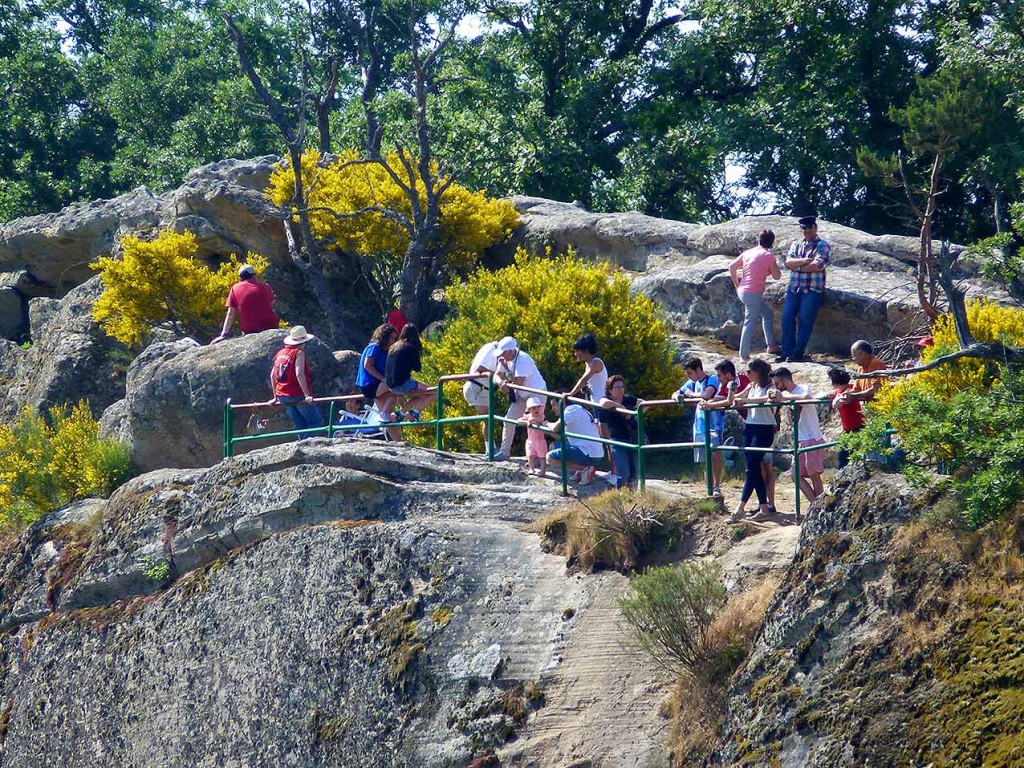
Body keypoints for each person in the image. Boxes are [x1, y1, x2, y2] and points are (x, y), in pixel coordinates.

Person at [704, 359, 778, 512]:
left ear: (757, 372)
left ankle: (751, 506)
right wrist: (731, 392)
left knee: (757, 467)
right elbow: (734, 401)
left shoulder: (770, 386)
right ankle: (762, 506)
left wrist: (743, 399)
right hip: (750, 427)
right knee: (753, 468)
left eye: (749, 371)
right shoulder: (751, 386)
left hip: (765, 428)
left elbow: (768, 398)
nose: (746, 374)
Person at [779, 216, 831, 362]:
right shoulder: (796, 244)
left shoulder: (823, 245)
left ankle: (797, 352)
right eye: (804, 228)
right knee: (786, 318)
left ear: (815, 227)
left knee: (805, 320)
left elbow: (816, 266)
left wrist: (797, 267)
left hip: (812, 289)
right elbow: (788, 263)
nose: (807, 230)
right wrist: (804, 262)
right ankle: (787, 351)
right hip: (794, 288)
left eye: (810, 227)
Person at [769, 367, 826, 502]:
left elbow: (806, 397)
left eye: (777, 383)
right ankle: (815, 506)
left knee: (814, 476)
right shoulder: (787, 395)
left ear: (785, 381)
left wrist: (783, 397)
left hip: (812, 437)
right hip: (801, 438)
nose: (776, 387)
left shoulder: (802, 388)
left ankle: (819, 507)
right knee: (795, 475)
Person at [730, 229, 782, 361]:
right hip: (753, 294)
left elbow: (732, 266)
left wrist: (737, 285)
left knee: (767, 314)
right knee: (749, 322)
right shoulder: (768, 256)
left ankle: (771, 345)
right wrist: (769, 270)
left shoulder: (748, 253)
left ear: (759, 240)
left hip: (743, 291)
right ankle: (743, 355)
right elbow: (777, 276)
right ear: (771, 243)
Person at [674, 357, 723, 497]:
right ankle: (710, 486)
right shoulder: (692, 383)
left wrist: (690, 394)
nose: (688, 376)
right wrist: (678, 396)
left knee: (715, 455)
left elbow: (706, 395)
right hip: (700, 426)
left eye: (690, 373)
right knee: (705, 458)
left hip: (714, 425)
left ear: (698, 369)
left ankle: (716, 485)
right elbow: (678, 392)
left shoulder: (712, 379)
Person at [493, 338, 547, 462]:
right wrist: (501, 382)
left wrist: (506, 372)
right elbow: (496, 375)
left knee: (535, 423)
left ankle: (539, 458)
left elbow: (519, 382)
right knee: (509, 420)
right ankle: (504, 452)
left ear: (511, 351)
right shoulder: (505, 359)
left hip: (536, 393)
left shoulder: (523, 359)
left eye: (504, 353)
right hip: (522, 395)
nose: (502, 356)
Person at [270, 325, 323, 439]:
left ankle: (301, 445)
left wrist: (275, 396)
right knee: (316, 423)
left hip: (282, 395)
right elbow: (299, 373)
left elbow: (272, 375)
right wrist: (307, 395)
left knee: (300, 425)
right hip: (296, 394)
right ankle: (304, 445)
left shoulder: (280, 353)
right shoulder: (298, 353)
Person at [212, 264, 279, 343]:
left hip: (250, 330)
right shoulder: (265, 286)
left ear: (240, 277)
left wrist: (224, 334)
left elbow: (230, 314)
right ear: (253, 276)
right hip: (271, 326)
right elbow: (272, 303)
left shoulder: (235, 288)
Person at [546, 394, 605, 485]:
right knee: (553, 446)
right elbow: (562, 437)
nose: (553, 408)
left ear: (563, 402)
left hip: (588, 452)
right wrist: (541, 428)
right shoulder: (577, 409)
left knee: (550, 458)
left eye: (554, 405)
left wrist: (546, 424)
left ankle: (584, 469)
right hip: (591, 451)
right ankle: (581, 468)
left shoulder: (571, 410)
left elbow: (555, 428)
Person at [463, 338, 510, 452]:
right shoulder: (490, 348)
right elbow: (481, 369)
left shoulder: (497, 353)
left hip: (483, 389)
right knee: (488, 419)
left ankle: (490, 448)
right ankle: (490, 449)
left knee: (488, 419)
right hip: (476, 388)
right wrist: (498, 378)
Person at [384, 324, 435, 423]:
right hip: (403, 384)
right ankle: (415, 412)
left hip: (391, 385)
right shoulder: (411, 347)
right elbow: (417, 368)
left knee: (421, 394)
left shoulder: (394, 347)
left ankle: (400, 413)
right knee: (435, 392)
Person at [597, 375, 640, 489]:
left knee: (634, 473)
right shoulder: (606, 400)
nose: (620, 389)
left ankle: (631, 496)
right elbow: (603, 403)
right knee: (623, 472)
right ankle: (620, 494)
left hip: (632, 438)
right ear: (610, 390)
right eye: (616, 387)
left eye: (622, 386)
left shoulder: (629, 399)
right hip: (616, 440)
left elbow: (644, 404)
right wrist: (620, 407)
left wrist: (635, 415)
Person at [356, 324, 397, 413]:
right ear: (385, 337)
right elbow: (367, 365)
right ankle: (406, 411)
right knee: (398, 387)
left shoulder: (384, 351)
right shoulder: (374, 347)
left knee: (387, 417)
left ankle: (386, 417)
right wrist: (383, 379)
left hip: (377, 384)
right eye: (392, 338)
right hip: (370, 385)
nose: (393, 341)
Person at [828, 368, 864, 469]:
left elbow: (836, 404)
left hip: (857, 428)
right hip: (849, 429)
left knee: (845, 456)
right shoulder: (839, 391)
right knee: (844, 457)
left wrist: (835, 397)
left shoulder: (850, 390)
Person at [834, 340, 887, 406]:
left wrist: (853, 396)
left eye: (854, 355)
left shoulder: (876, 364)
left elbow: (876, 389)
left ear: (862, 354)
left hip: (881, 407)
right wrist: (843, 394)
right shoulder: (860, 369)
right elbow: (856, 389)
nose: (853, 359)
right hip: (870, 408)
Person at [567, 333, 607, 404]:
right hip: (595, 402)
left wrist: (570, 394)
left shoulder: (596, 363)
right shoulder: (588, 364)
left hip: (602, 403)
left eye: (577, 351)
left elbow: (583, 380)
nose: (575, 354)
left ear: (585, 350)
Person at [521, 397, 550, 476]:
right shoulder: (528, 416)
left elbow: (540, 421)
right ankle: (531, 468)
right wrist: (527, 422)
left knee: (542, 456)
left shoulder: (541, 415)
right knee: (530, 455)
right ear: (529, 410)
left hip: (540, 440)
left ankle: (543, 470)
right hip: (530, 440)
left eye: (538, 407)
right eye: (534, 408)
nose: (536, 409)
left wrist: (533, 421)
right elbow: (518, 421)